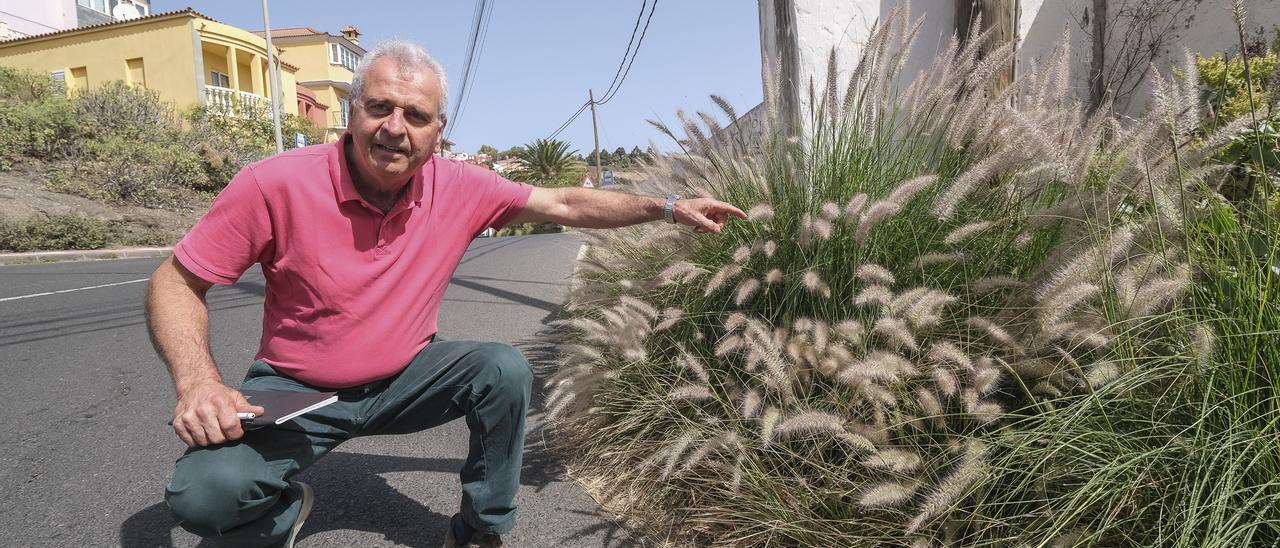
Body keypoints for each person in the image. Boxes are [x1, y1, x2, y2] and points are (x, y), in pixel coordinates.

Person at [146, 39, 745, 548]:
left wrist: (665, 206)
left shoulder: (460, 185)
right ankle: (285, 507)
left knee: (502, 368)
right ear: (351, 112)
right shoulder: (274, 184)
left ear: (438, 130)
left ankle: (482, 528)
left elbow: (561, 201)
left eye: (415, 115)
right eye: (379, 107)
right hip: (297, 389)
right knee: (203, 498)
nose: (394, 128)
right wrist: (198, 383)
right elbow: (176, 280)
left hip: (408, 378)